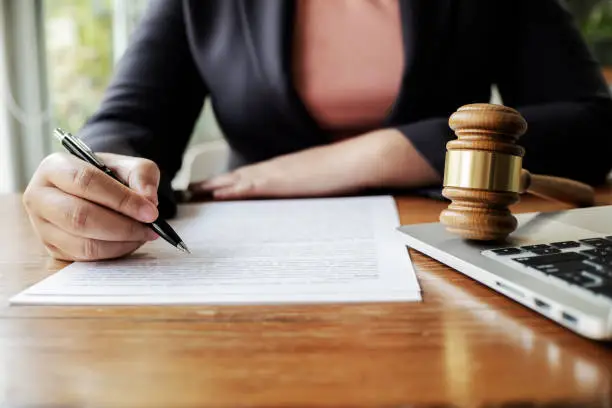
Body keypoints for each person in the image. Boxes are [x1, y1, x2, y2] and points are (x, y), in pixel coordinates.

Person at [23, 0, 612, 261]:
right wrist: (94, 176)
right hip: (254, 264)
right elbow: (128, 125)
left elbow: (594, 124)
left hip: (451, 254)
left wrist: (384, 152)